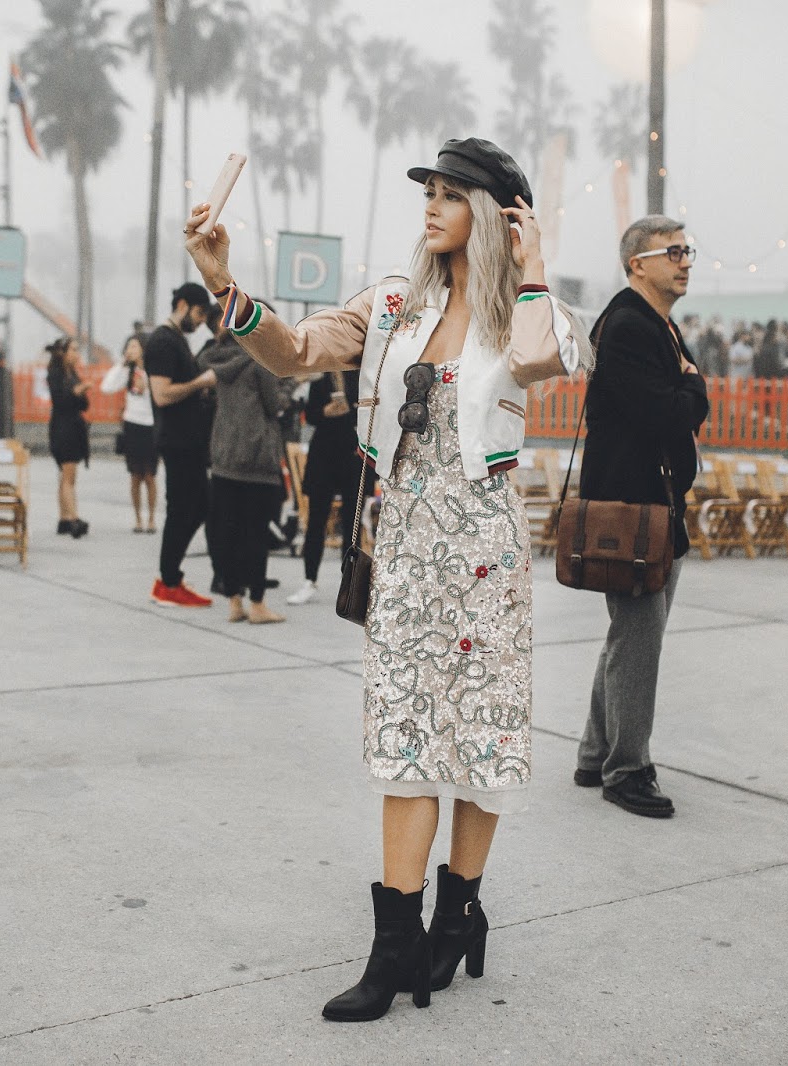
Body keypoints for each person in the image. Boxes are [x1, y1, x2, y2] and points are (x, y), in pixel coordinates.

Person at [185, 136, 584, 1023]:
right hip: (403, 551)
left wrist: (532, 263)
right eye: (429, 190)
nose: (432, 205)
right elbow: (296, 351)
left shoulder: (529, 311)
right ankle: (394, 944)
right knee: (405, 741)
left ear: (498, 214)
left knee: (477, 738)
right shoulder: (394, 302)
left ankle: (459, 916)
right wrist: (225, 284)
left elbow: (537, 359)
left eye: (453, 193)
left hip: (483, 560)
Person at [575, 215, 709, 818]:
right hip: (633, 508)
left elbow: (673, 403)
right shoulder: (630, 325)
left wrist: (687, 388)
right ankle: (627, 770)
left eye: (687, 251)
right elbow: (668, 413)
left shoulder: (657, 323)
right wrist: (696, 389)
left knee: (630, 635)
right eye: (672, 252)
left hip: (654, 502)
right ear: (638, 264)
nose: (685, 262)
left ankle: (594, 753)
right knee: (639, 640)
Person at [198, 302, 292, 624]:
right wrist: (290, 387)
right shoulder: (260, 359)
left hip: (224, 453)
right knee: (255, 532)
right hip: (257, 456)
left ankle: (234, 602)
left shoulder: (216, 357)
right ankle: (258, 605)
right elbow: (273, 405)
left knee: (227, 530)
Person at [145, 282, 218, 607]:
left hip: (188, 440)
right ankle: (168, 582)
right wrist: (201, 382)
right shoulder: (162, 341)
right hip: (177, 441)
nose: (201, 322)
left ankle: (170, 577)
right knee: (182, 510)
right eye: (200, 313)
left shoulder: (175, 340)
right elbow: (162, 394)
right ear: (184, 305)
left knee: (199, 506)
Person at [286, 366, 374, 606]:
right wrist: (327, 410)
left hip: (354, 453)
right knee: (316, 519)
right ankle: (309, 579)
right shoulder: (322, 374)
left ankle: (350, 583)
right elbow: (311, 414)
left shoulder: (362, 373)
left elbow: (372, 414)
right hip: (324, 452)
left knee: (352, 523)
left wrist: (351, 411)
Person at [100, 333, 159, 534]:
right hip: (132, 424)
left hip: (151, 425)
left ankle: (151, 518)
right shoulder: (127, 371)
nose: (130, 350)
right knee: (135, 475)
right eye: (128, 347)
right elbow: (106, 387)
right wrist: (121, 364)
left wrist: (148, 386)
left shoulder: (154, 370)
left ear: (143, 348)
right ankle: (138, 518)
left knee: (150, 475)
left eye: (134, 346)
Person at [45, 336, 90, 538]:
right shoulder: (55, 374)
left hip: (73, 426)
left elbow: (84, 404)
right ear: (63, 353)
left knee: (66, 475)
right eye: (73, 349)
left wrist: (79, 393)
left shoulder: (73, 374)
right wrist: (76, 392)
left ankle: (64, 518)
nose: (77, 354)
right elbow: (60, 400)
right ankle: (73, 518)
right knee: (68, 475)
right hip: (63, 428)